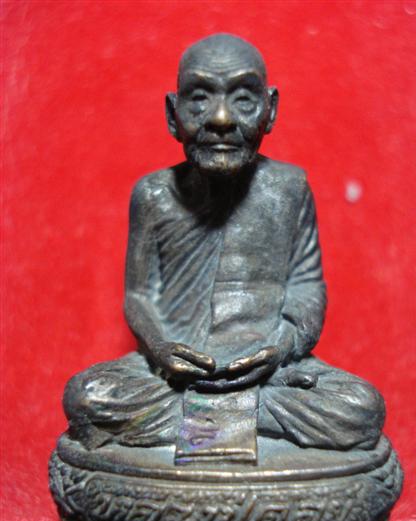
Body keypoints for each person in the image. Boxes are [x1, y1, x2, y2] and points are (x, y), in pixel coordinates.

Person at [63, 34, 384, 456]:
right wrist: (160, 349)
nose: (220, 118)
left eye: (243, 100)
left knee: (360, 408)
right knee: (87, 397)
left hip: (268, 372)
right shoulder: (155, 195)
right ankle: (240, 419)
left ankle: (207, 421)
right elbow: (140, 295)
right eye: (199, 99)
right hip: (178, 374)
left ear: (271, 109)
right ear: (172, 114)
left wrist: (282, 347)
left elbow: (306, 284)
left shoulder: (289, 189)